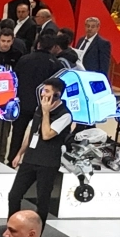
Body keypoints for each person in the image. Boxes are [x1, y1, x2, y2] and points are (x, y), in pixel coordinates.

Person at [8, 75, 74, 225]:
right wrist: (20, 153)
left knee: (42, 200)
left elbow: (46, 134)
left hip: (47, 163)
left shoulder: (65, 115)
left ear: (57, 95)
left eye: (47, 91)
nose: (43, 94)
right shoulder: (39, 108)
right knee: (14, 195)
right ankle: (12, 227)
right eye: (43, 90)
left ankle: (37, 232)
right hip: (30, 158)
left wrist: (46, 112)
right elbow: (32, 133)